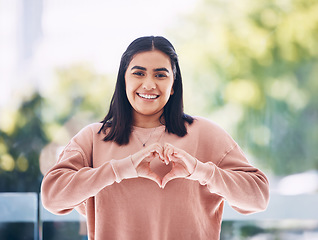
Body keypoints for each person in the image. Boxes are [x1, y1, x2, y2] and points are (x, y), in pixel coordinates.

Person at [41, 36, 269, 240]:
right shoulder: (93, 138)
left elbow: (258, 198)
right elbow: (52, 198)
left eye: (160, 75)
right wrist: (119, 170)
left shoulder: (207, 134)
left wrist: (200, 171)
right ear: (124, 80)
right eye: (139, 73)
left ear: (173, 85)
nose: (149, 84)